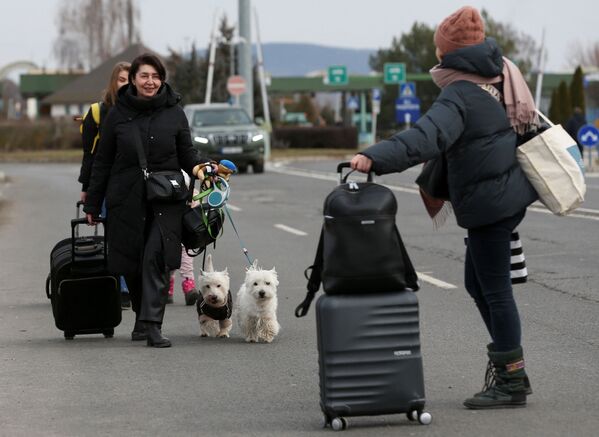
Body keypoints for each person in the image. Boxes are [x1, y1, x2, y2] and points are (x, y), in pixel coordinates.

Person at [351, 6, 537, 409]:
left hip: (491, 203)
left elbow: (427, 136)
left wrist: (373, 157)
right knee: (480, 284)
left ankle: (511, 378)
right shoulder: (498, 75)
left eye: (439, 46)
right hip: (503, 196)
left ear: (447, 51)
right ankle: (510, 373)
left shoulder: (461, 92)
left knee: (496, 290)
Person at [84, 53, 212, 348]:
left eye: (155, 76)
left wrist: (201, 167)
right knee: (132, 262)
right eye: (144, 76)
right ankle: (143, 318)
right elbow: (102, 161)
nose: (150, 82)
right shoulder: (118, 114)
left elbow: (187, 153)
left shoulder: (174, 112)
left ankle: (153, 326)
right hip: (126, 197)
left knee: (155, 259)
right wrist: (93, 202)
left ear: (162, 79)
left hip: (166, 197)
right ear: (133, 79)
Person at [78, 61, 132, 309]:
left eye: (130, 79)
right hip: (109, 185)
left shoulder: (143, 110)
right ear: (113, 82)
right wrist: (87, 189)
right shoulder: (98, 112)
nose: (127, 84)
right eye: (122, 79)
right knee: (115, 237)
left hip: (137, 184)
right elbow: (90, 156)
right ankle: (120, 287)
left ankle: (139, 285)